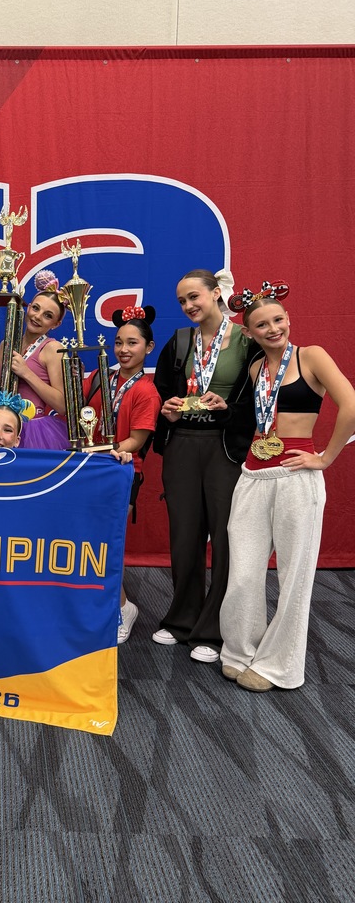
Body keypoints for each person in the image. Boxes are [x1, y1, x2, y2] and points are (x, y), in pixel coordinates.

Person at [219, 282, 355, 691]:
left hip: (297, 476)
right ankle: (240, 649)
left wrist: (326, 457)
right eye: (262, 324)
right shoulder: (257, 368)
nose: (273, 328)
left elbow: (350, 404)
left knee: (295, 574)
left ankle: (279, 666)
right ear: (250, 333)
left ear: (288, 319)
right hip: (253, 474)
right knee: (243, 570)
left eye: (278, 319)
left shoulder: (311, 356)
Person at [152, 269, 261, 662]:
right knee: (184, 537)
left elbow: (260, 397)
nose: (188, 306)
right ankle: (182, 621)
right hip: (183, 445)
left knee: (227, 538)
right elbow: (163, 390)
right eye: (181, 301)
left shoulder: (247, 342)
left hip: (226, 449)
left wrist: (228, 410)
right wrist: (167, 409)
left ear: (217, 294)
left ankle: (215, 631)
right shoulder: (180, 341)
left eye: (194, 297)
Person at [83, 306, 161, 644]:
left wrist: (104, 451)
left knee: (107, 544)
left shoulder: (147, 391)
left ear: (149, 347)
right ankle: (102, 603)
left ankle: (124, 607)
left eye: (132, 343)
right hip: (92, 469)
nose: (124, 350)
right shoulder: (99, 377)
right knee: (88, 541)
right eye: (118, 342)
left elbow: (137, 440)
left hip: (121, 473)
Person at [0, 270, 69, 450]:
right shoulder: (6, 344)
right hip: (1, 427)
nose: (38, 316)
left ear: (56, 324)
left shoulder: (52, 348)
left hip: (34, 430)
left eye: (48, 315)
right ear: (29, 306)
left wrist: (27, 373)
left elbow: (62, 405)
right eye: (36, 308)